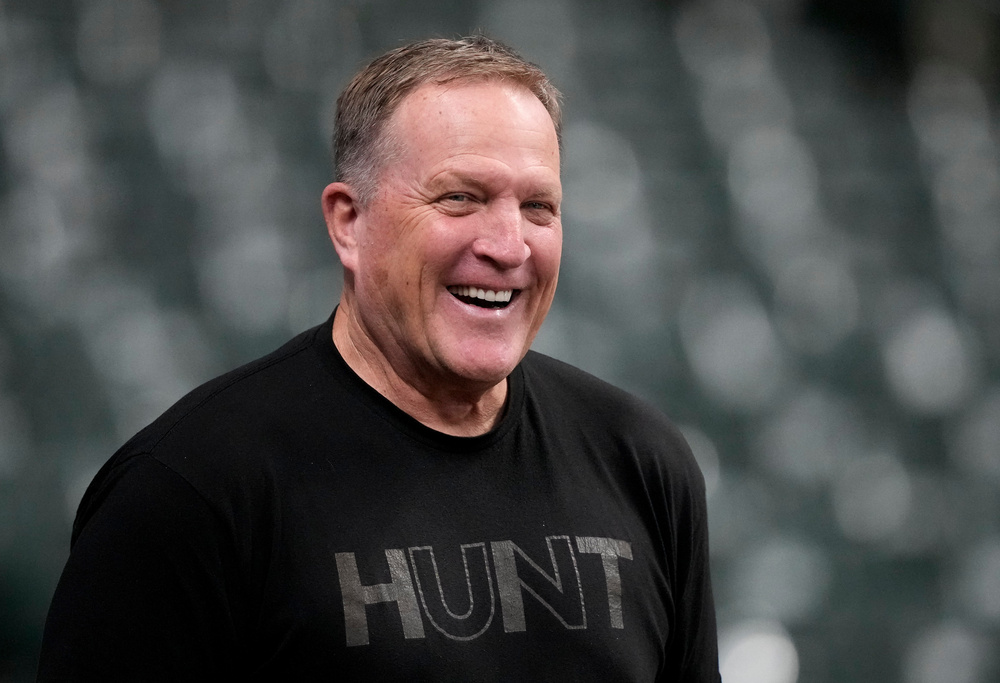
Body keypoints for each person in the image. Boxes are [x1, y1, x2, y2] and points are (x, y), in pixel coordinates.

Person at [38, 36, 721, 681]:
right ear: (348, 221)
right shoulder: (189, 492)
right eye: (461, 197)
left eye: (538, 206)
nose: (510, 245)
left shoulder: (641, 460)